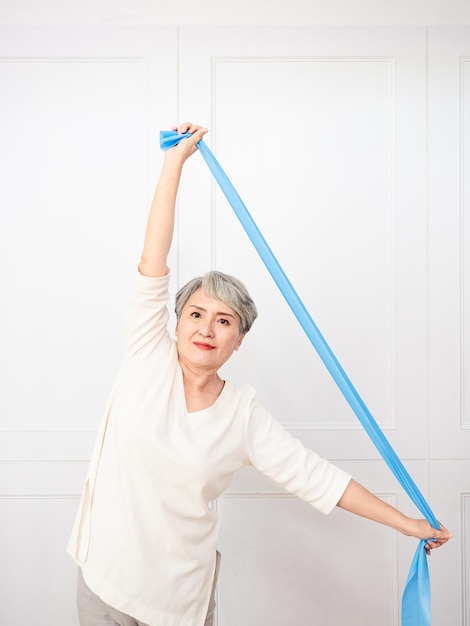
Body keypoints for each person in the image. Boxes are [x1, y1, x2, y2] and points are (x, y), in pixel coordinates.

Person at [67, 122, 452, 626]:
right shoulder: (147, 355)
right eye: (196, 314)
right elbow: (151, 259)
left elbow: (318, 477)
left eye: (224, 320)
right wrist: (175, 163)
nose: (207, 328)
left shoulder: (242, 414)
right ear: (176, 321)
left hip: (180, 601)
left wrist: (406, 523)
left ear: (239, 338)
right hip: (106, 584)